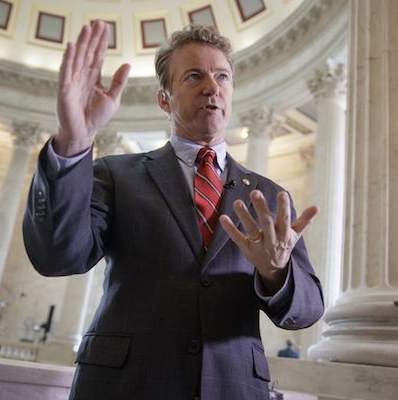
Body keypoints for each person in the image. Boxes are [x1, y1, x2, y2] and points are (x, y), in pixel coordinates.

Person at [22, 20, 324, 400]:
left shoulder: (267, 196)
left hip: (232, 388)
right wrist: (73, 143)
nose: (212, 87)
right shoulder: (116, 175)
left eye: (222, 77)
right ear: (164, 98)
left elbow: (307, 310)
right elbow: (56, 256)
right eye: (194, 76)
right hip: (125, 387)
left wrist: (277, 272)